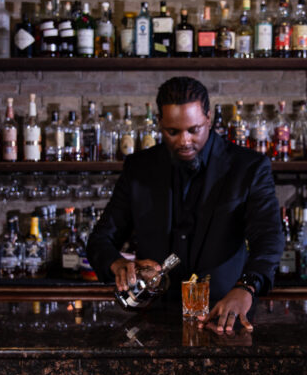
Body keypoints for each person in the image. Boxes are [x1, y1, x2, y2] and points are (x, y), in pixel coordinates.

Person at [87, 76, 283, 331]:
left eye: (194, 130)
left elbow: (269, 238)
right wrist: (118, 264)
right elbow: (100, 240)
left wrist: (246, 287)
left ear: (209, 119)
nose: (184, 141)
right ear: (159, 122)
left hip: (223, 315)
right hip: (154, 321)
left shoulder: (248, 167)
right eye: (173, 132)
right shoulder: (139, 168)